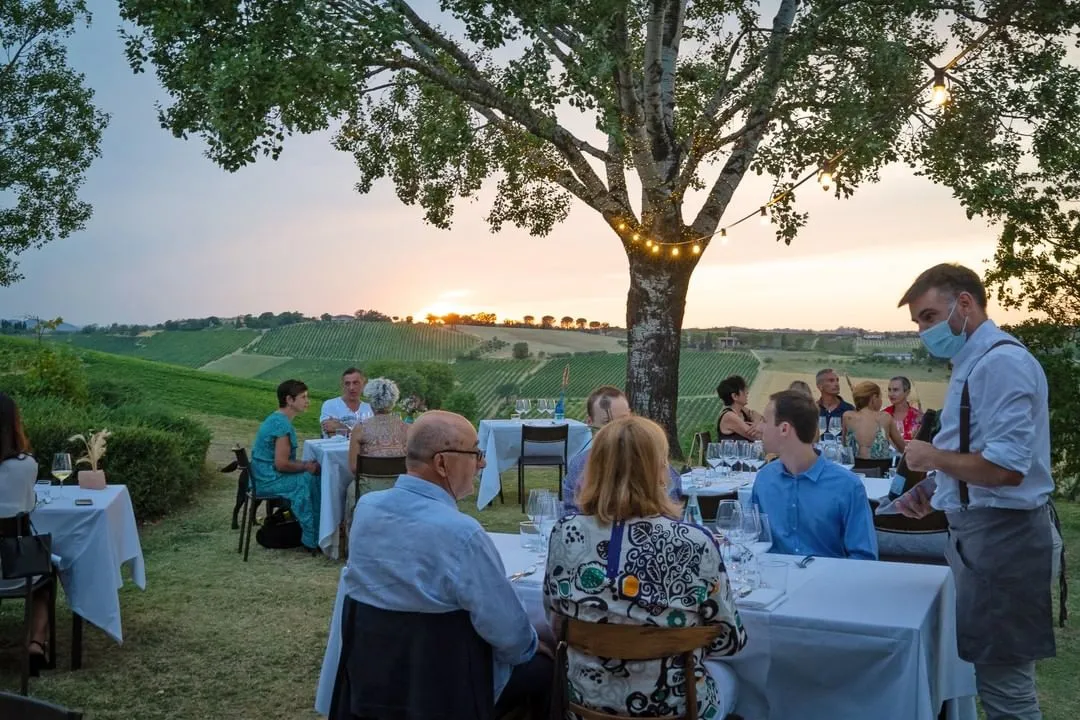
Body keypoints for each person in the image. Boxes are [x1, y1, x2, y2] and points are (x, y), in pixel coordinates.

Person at [896, 263, 1055, 720]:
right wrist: (935, 485)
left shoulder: (1002, 363)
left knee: (1006, 686)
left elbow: (1007, 470)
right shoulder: (975, 362)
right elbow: (980, 454)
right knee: (993, 677)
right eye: (919, 322)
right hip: (981, 535)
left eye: (928, 316)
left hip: (1005, 539)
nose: (924, 331)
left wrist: (932, 458)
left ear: (964, 303)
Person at [346, 411, 551, 717]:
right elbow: (511, 637)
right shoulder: (462, 533)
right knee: (546, 667)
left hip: (374, 680)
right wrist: (534, 645)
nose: (481, 463)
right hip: (448, 689)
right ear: (442, 463)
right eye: (475, 453)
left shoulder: (366, 509)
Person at [545, 416, 747, 719]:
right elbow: (730, 640)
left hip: (587, 705)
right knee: (736, 679)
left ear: (594, 469)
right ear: (660, 471)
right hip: (673, 707)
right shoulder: (694, 541)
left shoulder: (564, 533)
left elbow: (555, 616)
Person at [752, 390, 878, 560]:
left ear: (784, 429)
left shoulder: (847, 486)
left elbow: (864, 557)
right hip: (772, 582)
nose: (759, 428)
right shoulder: (764, 479)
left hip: (828, 583)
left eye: (765, 421)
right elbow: (752, 539)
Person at [560, 386, 681, 514]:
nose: (618, 430)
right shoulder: (579, 467)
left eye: (623, 420)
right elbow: (571, 514)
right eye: (608, 423)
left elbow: (675, 502)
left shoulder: (653, 461)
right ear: (590, 422)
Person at [0, 393, 49, 673]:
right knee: (45, 573)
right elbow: (29, 506)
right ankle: (36, 642)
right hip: (15, 572)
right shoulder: (25, 465)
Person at [250, 380, 322, 549]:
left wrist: (305, 465)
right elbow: (281, 464)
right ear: (289, 400)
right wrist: (306, 466)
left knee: (310, 477)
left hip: (261, 475)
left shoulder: (277, 419)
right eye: (303, 397)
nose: (307, 401)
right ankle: (313, 538)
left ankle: (315, 531)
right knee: (309, 482)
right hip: (267, 479)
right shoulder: (282, 425)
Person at [348, 378, 409, 475]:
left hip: (369, 487)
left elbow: (354, 468)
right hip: (399, 485)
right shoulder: (407, 428)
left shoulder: (360, 428)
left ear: (370, 401)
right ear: (393, 401)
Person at [843, 381, 905, 460]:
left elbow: (845, 445)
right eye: (880, 397)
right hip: (879, 468)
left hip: (854, 468)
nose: (881, 401)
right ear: (874, 398)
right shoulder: (885, 417)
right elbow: (902, 448)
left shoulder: (848, 416)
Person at [320, 368, 373, 438]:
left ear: (364, 385)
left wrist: (341, 427)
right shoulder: (330, 405)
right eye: (347, 383)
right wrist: (361, 434)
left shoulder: (370, 409)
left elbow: (374, 437)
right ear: (342, 386)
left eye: (355, 383)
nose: (351, 387)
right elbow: (331, 433)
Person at [716, 375, 762, 441]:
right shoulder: (729, 416)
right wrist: (760, 425)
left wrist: (757, 422)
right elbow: (757, 436)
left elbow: (755, 414)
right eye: (743, 390)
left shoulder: (742, 411)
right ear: (735, 396)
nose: (747, 392)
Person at [815, 368, 854, 435]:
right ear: (820, 386)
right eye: (831, 381)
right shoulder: (812, 410)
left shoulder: (849, 409)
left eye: (837, 380)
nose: (836, 384)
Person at [885, 376, 923, 442]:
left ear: (907, 392)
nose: (891, 394)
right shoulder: (884, 414)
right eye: (889, 390)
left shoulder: (918, 417)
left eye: (895, 390)